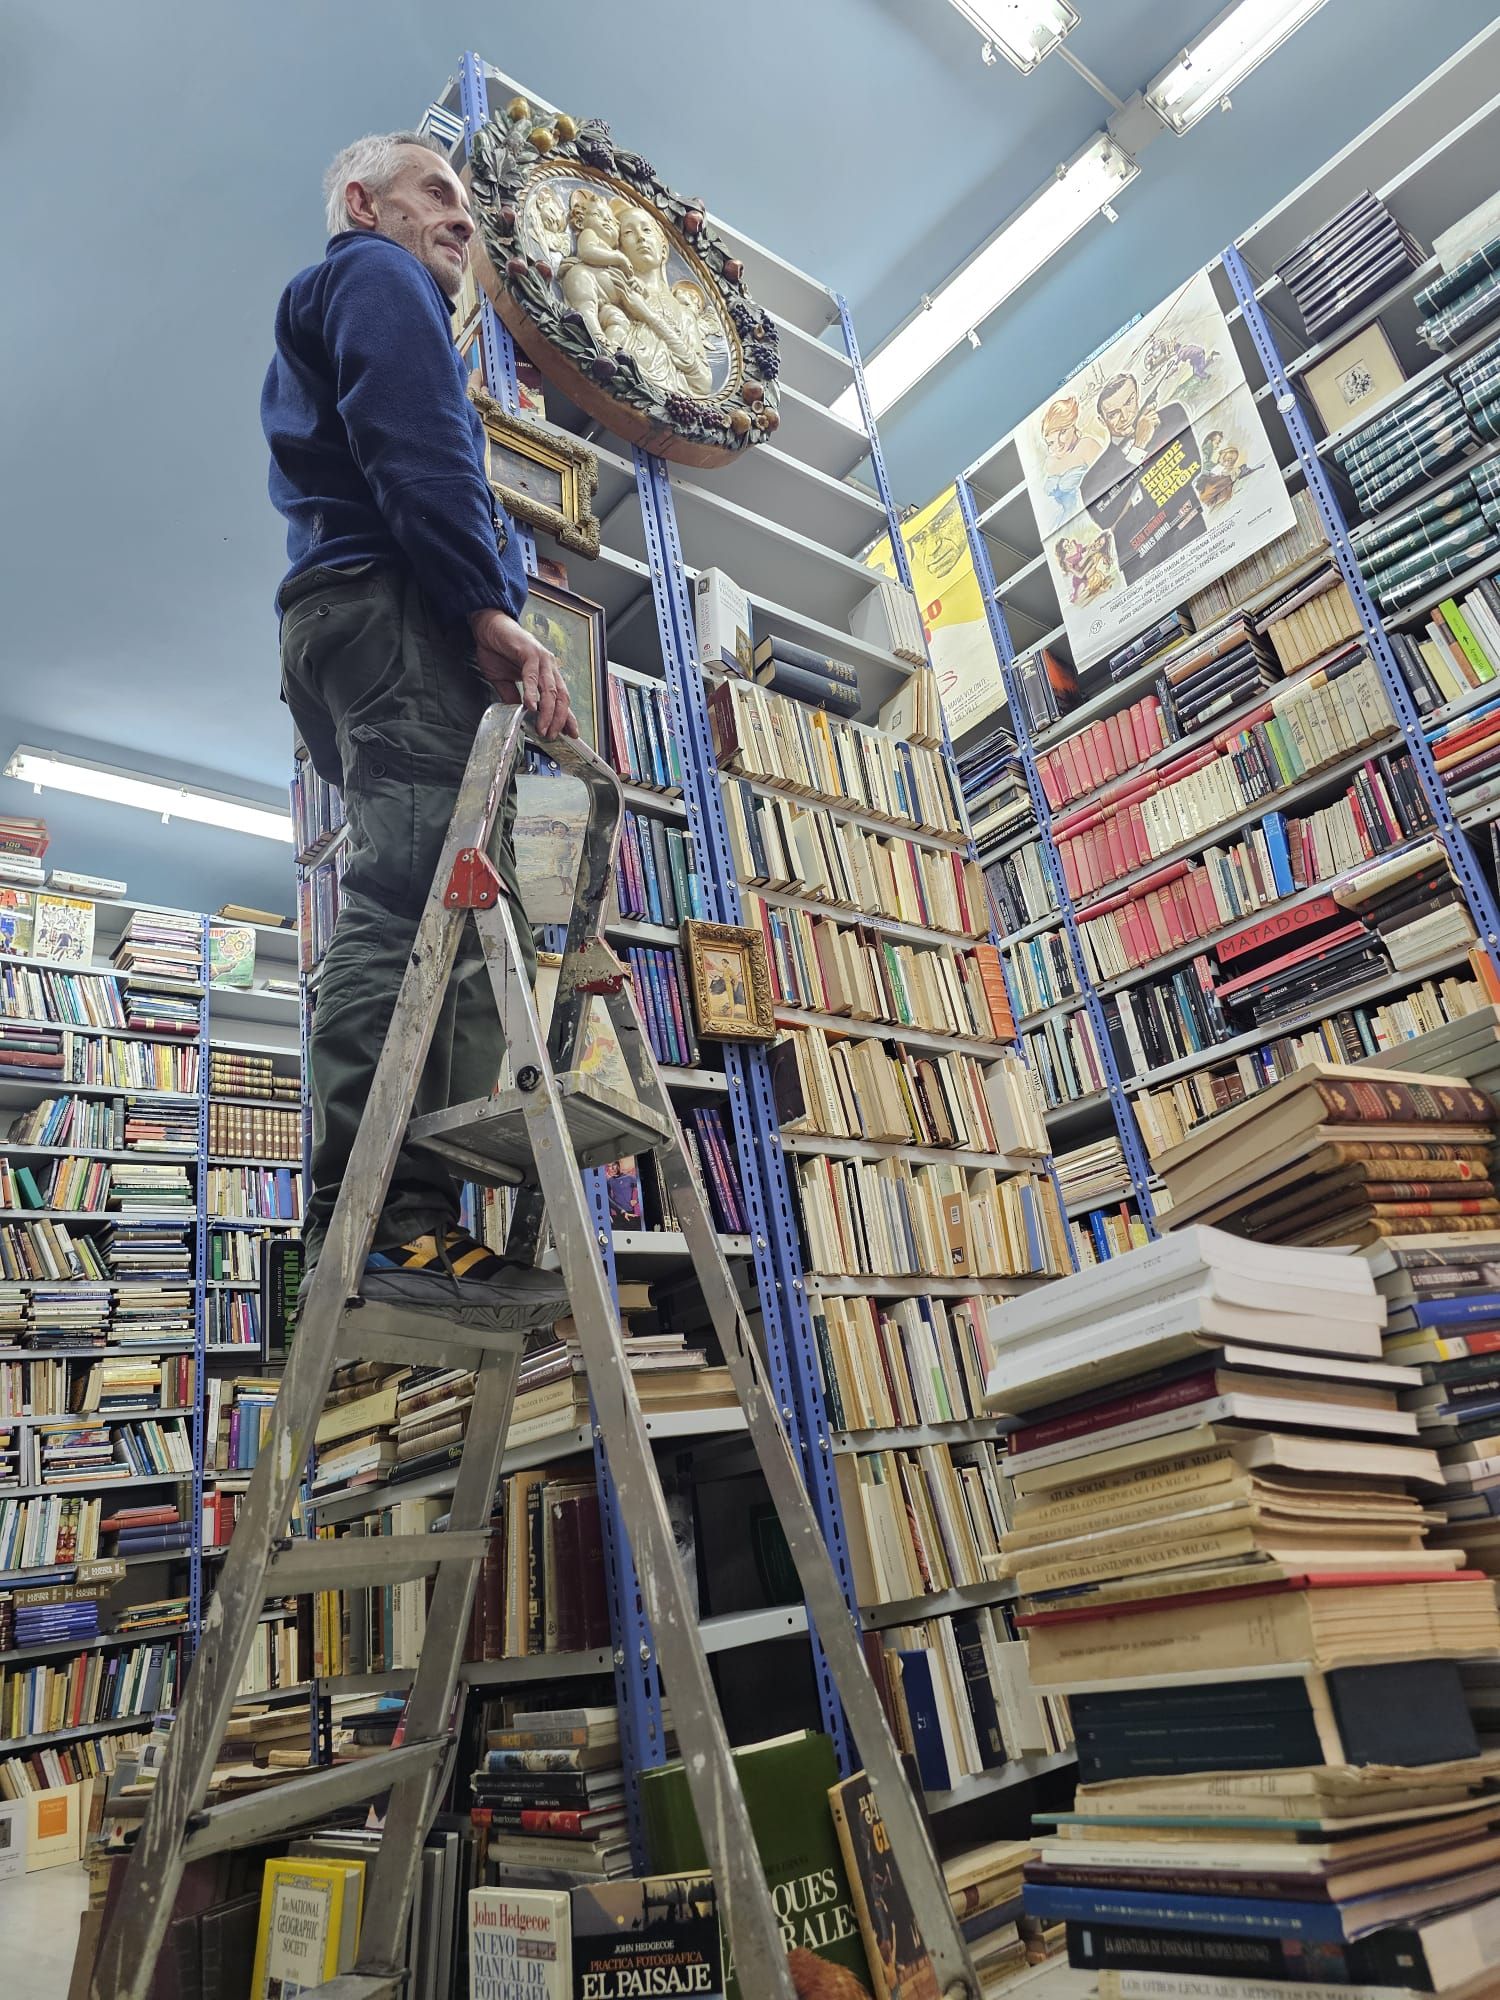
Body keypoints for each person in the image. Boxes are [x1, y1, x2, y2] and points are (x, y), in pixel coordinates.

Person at [261, 130, 576, 1323]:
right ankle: (390, 1222)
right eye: (434, 194)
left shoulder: (354, 296)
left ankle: (402, 1211)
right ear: (361, 201)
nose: (460, 220)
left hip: (350, 620)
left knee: (418, 891)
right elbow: (417, 444)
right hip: (389, 613)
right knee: (403, 904)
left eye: (464, 205)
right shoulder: (373, 273)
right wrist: (486, 606)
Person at [1080, 371, 1206, 588]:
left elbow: (1193, 464)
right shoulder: (1091, 481)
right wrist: (1138, 447)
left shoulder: (1172, 417)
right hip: (1139, 562)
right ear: (1102, 420)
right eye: (1114, 414)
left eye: (1129, 402)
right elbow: (1105, 519)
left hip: (1187, 529)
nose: (1126, 415)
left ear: (1138, 394)